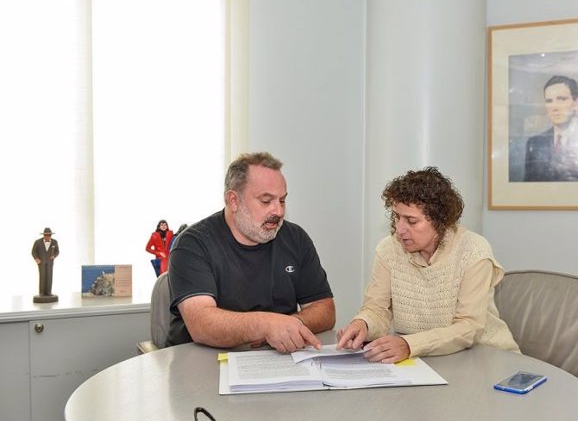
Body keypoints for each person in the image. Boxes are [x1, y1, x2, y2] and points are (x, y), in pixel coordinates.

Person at [336, 167, 519, 363]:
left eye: (411, 221)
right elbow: (377, 309)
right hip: (426, 361)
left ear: (440, 221)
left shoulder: (473, 251)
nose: (399, 229)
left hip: (486, 358)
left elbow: (469, 327)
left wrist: (409, 345)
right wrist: (363, 323)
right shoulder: (388, 249)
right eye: (397, 217)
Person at [167, 152, 335, 351]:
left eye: (282, 200)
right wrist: (266, 326)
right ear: (233, 201)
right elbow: (202, 324)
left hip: (275, 359)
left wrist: (287, 325)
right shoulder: (193, 244)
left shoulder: (295, 238)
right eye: (266, 201)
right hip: (204, 361)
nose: (279, 211)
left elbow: (325, 310)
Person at [524, 75, 578, 182]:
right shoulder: (535, 143)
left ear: (576, 103)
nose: (555, 107)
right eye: (549, 101)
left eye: (561, 99)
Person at [31, 227, 60, 302]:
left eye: (49, 235)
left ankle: (48, 292)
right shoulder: (38, 242)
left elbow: (57, 251)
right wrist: (37, 259)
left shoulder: (54, 242)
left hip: (50, 263)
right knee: (42, 276)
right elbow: (33, 251)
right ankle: (42, 292)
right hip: (41, 262)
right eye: (46, 235)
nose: (48, 236)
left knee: (49, 276)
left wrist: (54, 256)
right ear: (44, 235)